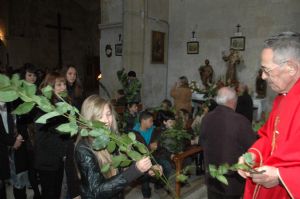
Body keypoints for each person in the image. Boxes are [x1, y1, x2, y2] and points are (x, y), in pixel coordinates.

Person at [237, 32, 300, 199]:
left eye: (267, 70)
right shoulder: (283, 96)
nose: (263, 76)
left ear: (291, 68)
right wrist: (252, 156)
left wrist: (281, 177)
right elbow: (269, 137)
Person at [74, 95, 161, 199]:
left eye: (108, 114)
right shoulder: (84, 148)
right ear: (89, 119)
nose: (106, 121)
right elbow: (97, 192)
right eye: (99, 116)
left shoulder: (114, 139)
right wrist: (135, 170)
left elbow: (126, 172)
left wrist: (147, 171)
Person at [199, 87, 256, 199]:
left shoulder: (206, 118)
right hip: (232, 182)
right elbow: (253, 148)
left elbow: (201, 142)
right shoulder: (240, 121)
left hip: (212, 177)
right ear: (232, 101)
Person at [34, 72, 71, 199]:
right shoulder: (44, 107)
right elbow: (42, 138)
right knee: (49, 194)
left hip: (58, 159)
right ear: (50, 87)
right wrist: (64, 150)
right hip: (47, 161)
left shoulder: (63, 105)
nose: (63, 87)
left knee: (57, 192)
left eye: (64, 84)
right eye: (58, 85)